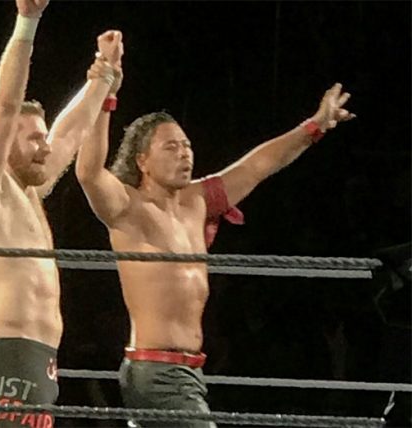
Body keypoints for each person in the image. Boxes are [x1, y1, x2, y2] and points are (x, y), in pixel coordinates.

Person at [77, 45, 355, 426]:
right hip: (156, 372)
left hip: (188, 371)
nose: (184, 154)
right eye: (171, 147)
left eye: (187, 146)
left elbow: (258, 165)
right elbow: (89, 173)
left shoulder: (197, 201)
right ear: (142, 161)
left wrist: (315, 126)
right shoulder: (129, 208)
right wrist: (105, 94)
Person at [0, 0, 123, 426]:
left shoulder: (29, 191)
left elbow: (69, 134)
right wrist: (27, 22)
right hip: (10, 349)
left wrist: (103, 77)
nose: (44, 147)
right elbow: (4, 106)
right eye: (33, 139)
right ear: (2, 142)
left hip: (38, 354)